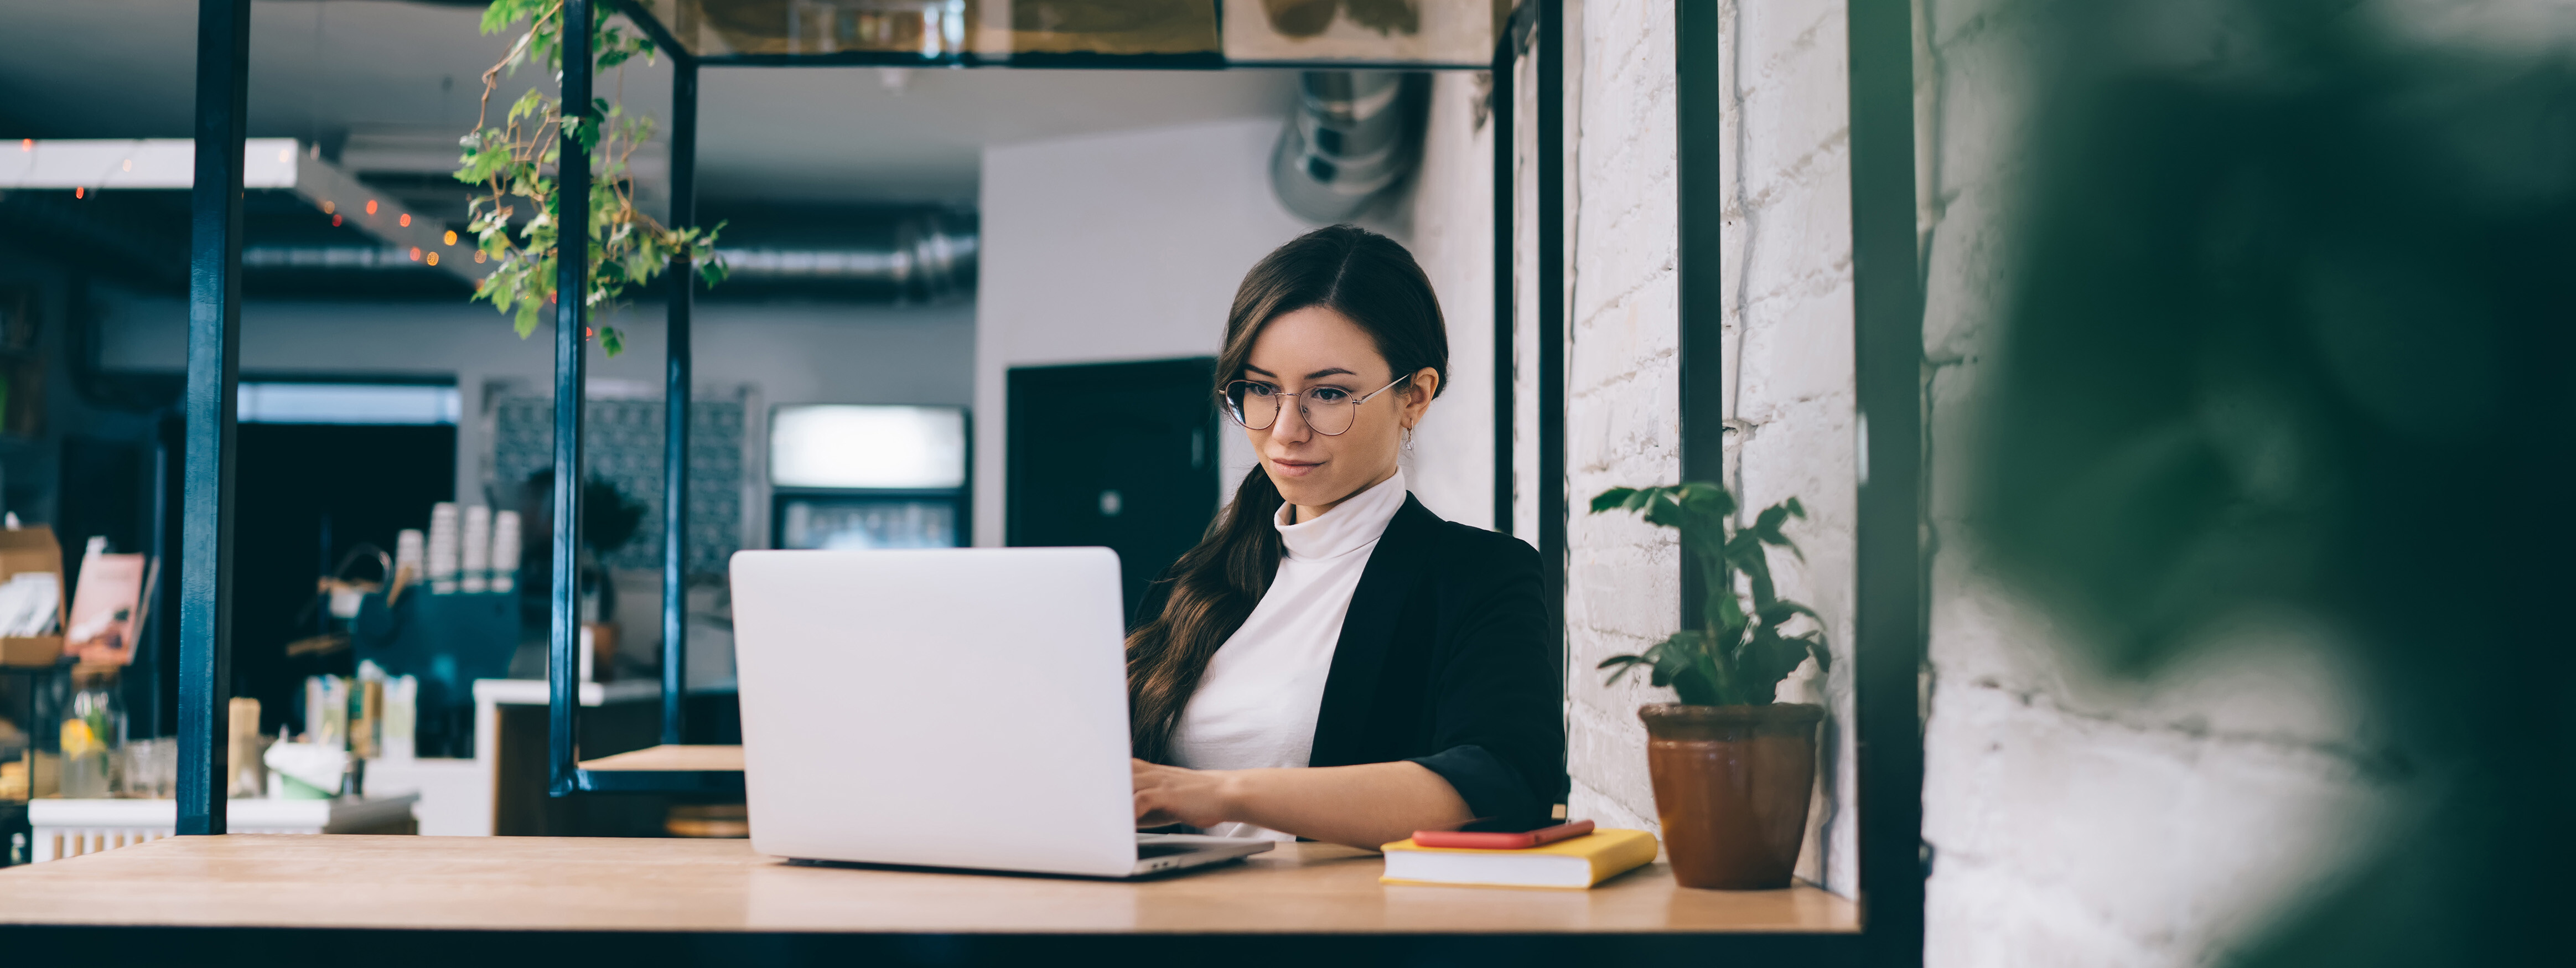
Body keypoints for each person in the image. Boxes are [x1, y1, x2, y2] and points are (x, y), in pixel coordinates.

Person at [1126, 224, 1563, 850]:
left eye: (1328, 394)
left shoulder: (1477, 576)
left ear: (1414, 397)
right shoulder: (1192, 584)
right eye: (1260, 389)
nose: (1283, 432)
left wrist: (1223, 793)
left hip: (1340, 938)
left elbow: (1505, 780)